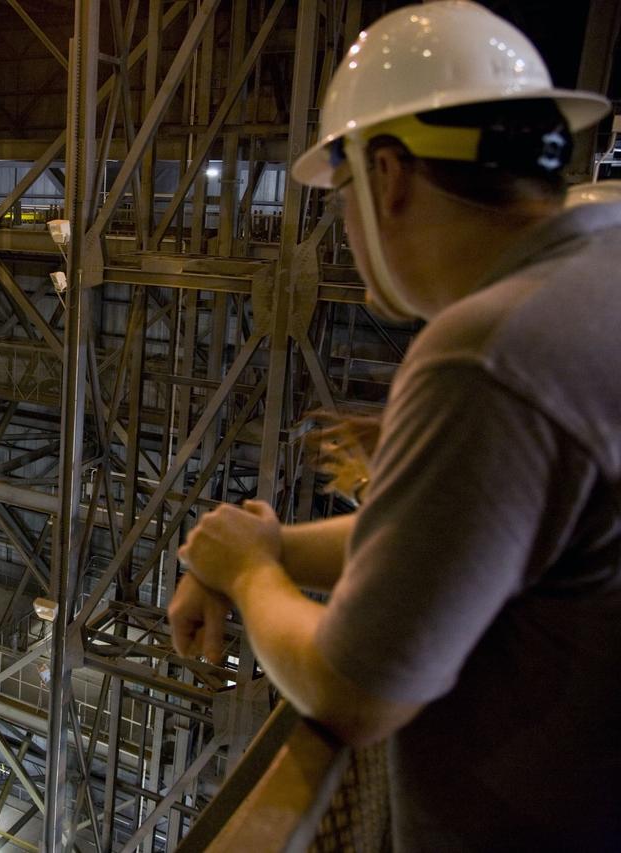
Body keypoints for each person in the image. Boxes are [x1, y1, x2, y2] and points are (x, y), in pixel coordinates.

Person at [166, 2, 620, 849]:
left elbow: (353, 689)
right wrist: (269, 547)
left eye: (341, 201)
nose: (345, 231)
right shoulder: (598, 279)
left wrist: (253, 575)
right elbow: (465, 537)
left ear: (387, 177)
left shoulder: (489, 349)